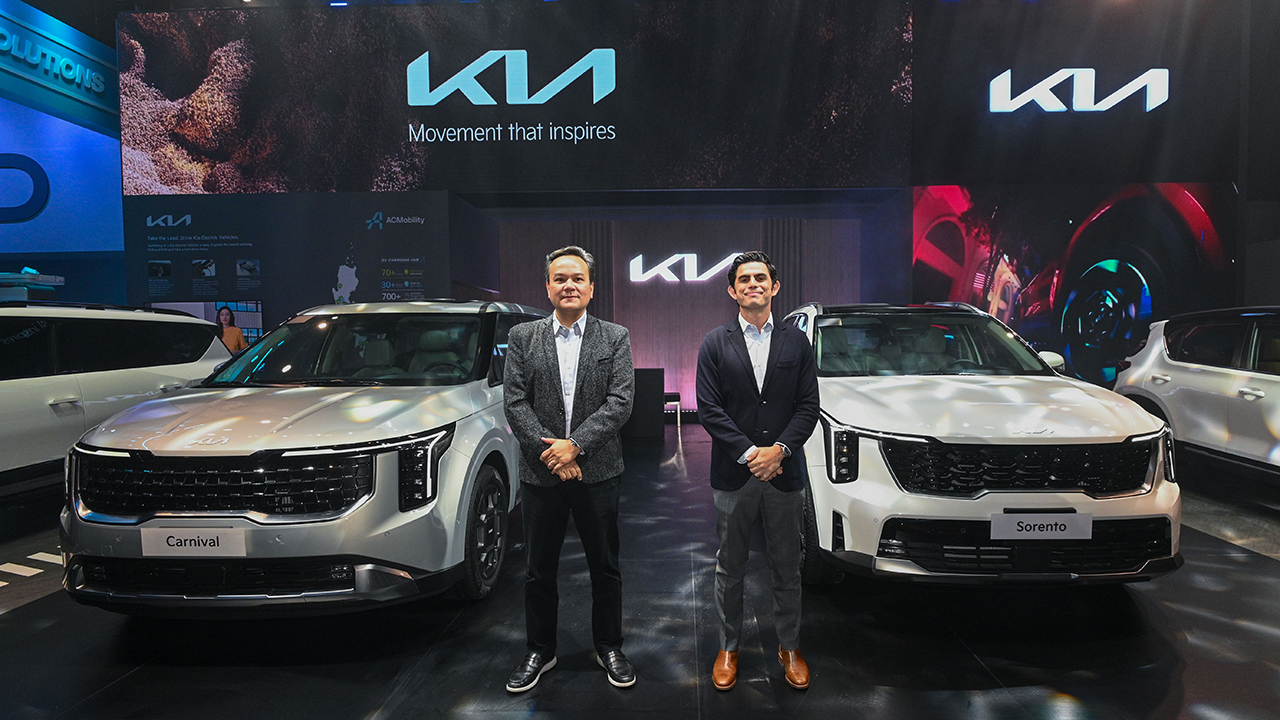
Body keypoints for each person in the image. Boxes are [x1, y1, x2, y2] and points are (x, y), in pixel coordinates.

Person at [503, 245, 636, 692]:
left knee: (606, 567)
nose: (569, 285)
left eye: (578, 278)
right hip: (542, 474)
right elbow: (514, 402)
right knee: (538, 571)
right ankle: (540, 650)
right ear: (547, 287)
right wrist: (554, 456)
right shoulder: (523, 337)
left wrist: (574, 447)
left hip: (598, 471)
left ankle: (609, 646)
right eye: (560, 278)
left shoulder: (614, 336)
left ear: (592, 287)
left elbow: (620, 402)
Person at [695, 250, 820, 691]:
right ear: (732, 290)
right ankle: (728, 647)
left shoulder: (797, 342)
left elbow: (808, 407)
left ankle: (789, 647)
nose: (753, 284)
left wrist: (779, 451)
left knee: (787, 567)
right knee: (730, 568)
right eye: (744, 279)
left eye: (760, 278)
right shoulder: (714, 342)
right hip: (734, 474)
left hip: (784, 474)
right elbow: (709, 409)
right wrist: (753, 454)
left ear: (774, 286)